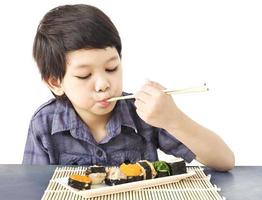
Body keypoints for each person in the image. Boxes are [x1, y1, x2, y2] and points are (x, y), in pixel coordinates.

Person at [22, 4, 234, 171]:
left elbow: (224, 161)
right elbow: (32, 187)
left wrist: (173, 118)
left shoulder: (143, 113)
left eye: (112, 68)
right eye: (84, 75)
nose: (104, 84)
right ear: (55, 82)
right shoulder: (44, 122)